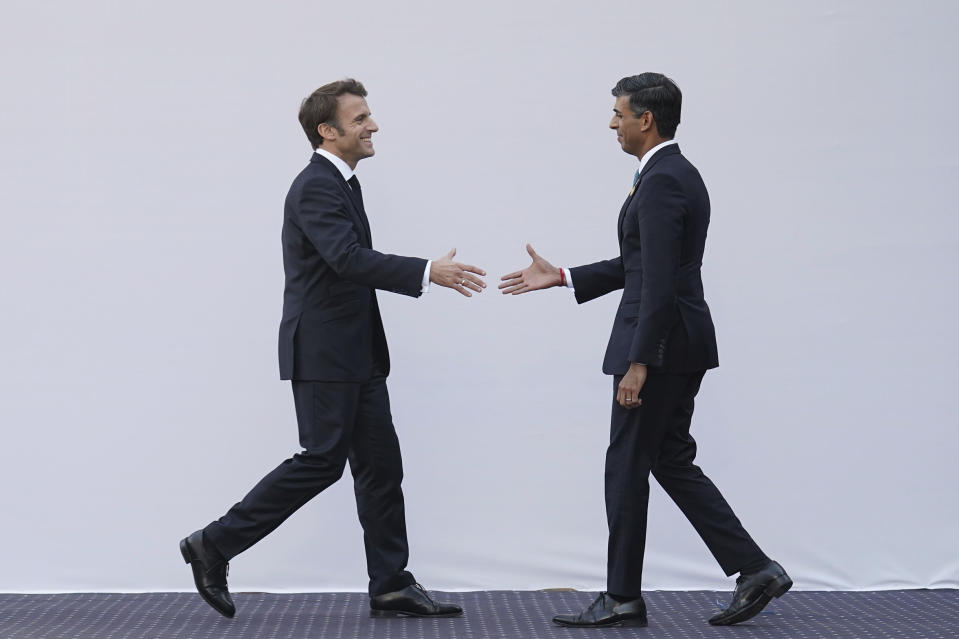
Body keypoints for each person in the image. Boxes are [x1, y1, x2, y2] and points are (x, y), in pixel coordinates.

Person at [180, 78, 485, 619]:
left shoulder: (343, 183)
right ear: (328, 130)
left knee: (381, 467)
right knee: (321, 461)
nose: (373, 126)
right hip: (324, 353)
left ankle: (391, 583)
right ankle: (214, 544)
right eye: (361, 117)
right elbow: (346, 258)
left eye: (370, 116)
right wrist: (426, 271)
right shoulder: (317, 185)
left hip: (356, 354)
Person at [499, 73, 790, 628]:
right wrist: (562, 276)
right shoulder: (669, 175)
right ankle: (755, 570)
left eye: (618, 113)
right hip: (680, 341)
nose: (612, 123)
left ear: (645, 119)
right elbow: (640, 266)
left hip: (659, 347)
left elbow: (656, 282)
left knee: (627, 466)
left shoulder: (661, 182)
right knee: (670, 460)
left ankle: (623, 596)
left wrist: (639, 362)